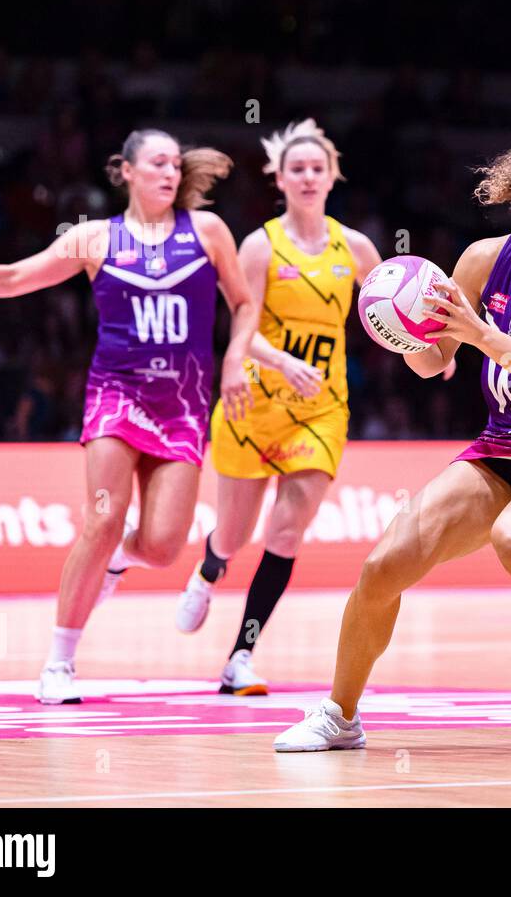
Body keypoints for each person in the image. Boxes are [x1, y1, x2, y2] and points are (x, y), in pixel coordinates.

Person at [274, 139, 511, 755]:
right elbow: (433, 364)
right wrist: (397, 328)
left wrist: (482, 334)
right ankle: (340, 714)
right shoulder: (480, 260)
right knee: (381, 567)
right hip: (502, 446)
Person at [0, 128, 257, 703]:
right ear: (124, 171)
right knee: (102, 519)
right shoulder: (94, 239)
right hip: (116, 396)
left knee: (161, 547)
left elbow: (245, 302)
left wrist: (235, 361)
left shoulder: (207, 231)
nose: (169, 173)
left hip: (182, 407)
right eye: (156, 163)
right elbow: (13, 278)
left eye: (175, 165)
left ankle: (118, 562)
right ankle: (59, 662)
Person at [173, 120, 390, 695]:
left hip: (322, 408)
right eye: (298, 168)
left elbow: (390, 312)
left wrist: (426, 348)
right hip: (255, 402)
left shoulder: (357, 248)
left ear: (332, 176)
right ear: (280, 177)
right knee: (233, 534)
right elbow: (242, 326)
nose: (309, 176)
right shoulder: (261, 245)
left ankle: (240, 656)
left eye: (318, 168)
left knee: (287, 531)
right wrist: (279, 362)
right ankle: (210, 567)